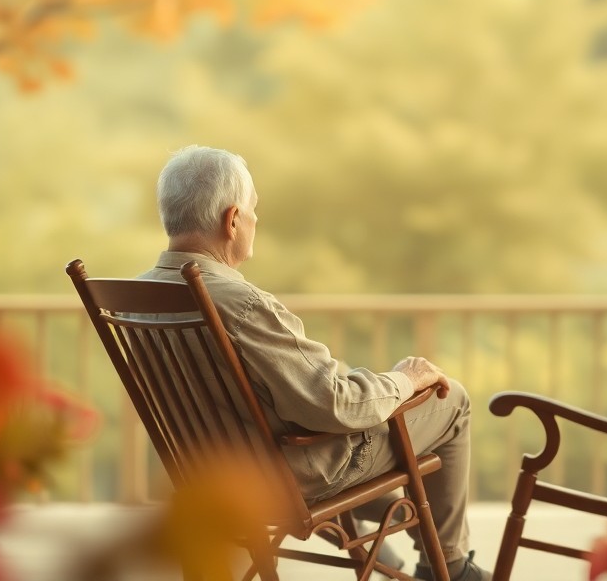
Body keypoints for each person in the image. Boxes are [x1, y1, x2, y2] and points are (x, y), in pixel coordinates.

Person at [140, 145, 490, 581]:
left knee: (371, 420)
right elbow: (333, 405)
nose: (253, 222)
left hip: (207, 475)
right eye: (253, 212)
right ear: (232, 220)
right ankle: (450, 567)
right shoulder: (238, 302)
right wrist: (405, 378)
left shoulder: (136, 299)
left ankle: (384, 553)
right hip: (281, 481)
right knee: (450, 399)